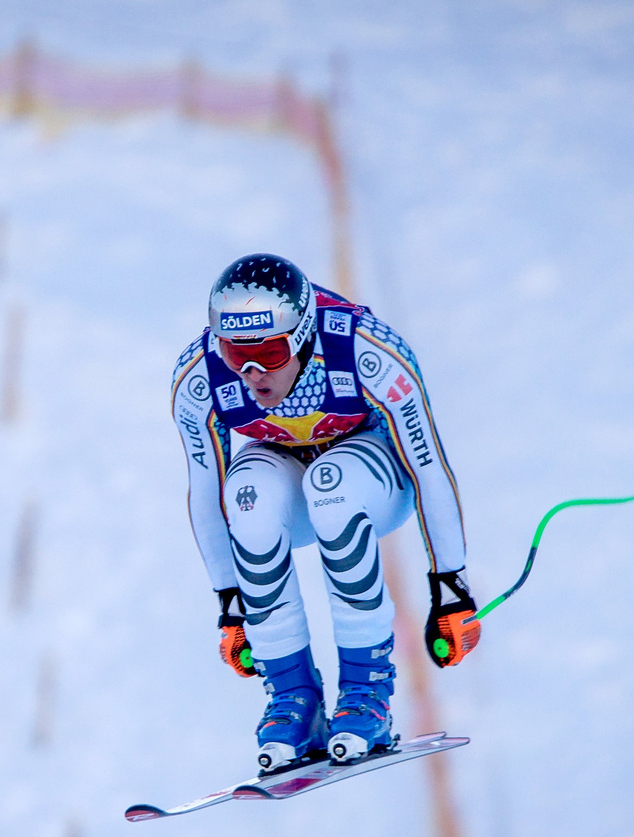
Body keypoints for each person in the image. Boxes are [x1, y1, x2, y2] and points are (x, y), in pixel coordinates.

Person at [171, 254, 480, 772]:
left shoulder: (364, 351)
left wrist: (452, 589)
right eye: (233, 353)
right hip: (291, 474)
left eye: (268, 352)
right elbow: (205, 492)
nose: (250, 373)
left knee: (329, 486)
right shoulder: (200, 376)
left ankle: (366, 695)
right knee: (246, 494)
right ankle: (294, 700)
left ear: (303, 335)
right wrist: (230, 605)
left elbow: (429, 466)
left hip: (373, 478)